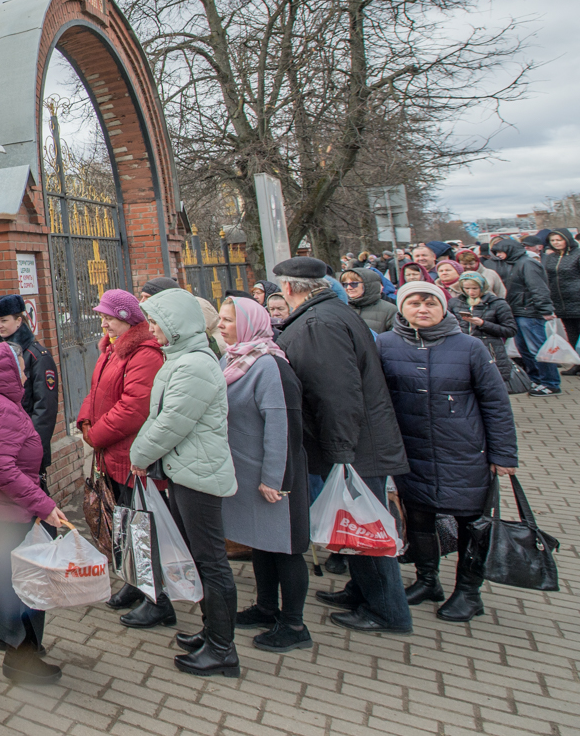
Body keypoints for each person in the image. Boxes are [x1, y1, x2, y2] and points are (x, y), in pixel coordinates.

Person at [272, 257, 413, 635]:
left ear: (288, 288)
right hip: (360, 438)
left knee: (364, 522)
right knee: (359, 519)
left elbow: (335, 393)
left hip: (353, 445)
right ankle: (363, 590)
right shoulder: (333, 312)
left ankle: (387, 609)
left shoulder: (318, 324)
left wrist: (340, 453)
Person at [377, 282, 518, 621]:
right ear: (401, 307)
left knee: (472, 522)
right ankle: (428, 580)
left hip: (464, 451)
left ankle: (469, 592)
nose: (422, 309)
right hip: (412, 450)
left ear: (443, 308)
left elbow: (496, 403)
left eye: (430, 303)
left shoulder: (469, 347)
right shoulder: (385, 344)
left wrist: (504, 455)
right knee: (420, 518)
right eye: (414, 302)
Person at [128, 289, 240, 677]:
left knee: (212, 563)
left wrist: (138, 455)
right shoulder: (182, 359)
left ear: (175, 324)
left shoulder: (193, 364)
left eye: (157, 323)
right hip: (187, 470)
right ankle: (212, 633)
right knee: (202, 558)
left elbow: (171, 421)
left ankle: (223, 650)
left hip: (198, 475)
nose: (153, 331)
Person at [209, 297, 311, 653]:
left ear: (250, 323)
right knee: (262, 544)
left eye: (228, 320)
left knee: (286, 549)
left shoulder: (269, 365)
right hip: (248, 471)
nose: (221, 325)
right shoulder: (234, 357)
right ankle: (267, 607)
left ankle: (294, 624)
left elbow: (282, 424)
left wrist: (276, 479)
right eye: (220, 319)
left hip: (274, 475)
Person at [0, 343, 68, 685]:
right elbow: (2, 468)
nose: (25, 372)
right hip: (10, 513)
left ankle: (9, 642)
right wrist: (44, 505)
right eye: (18, 366)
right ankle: (22, 660)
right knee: (26, 588)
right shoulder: (4, 409)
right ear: (5, 372)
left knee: (5, 585)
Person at [76, 289, 164, 613]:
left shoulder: (144, 354)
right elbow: (95, 390)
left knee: (139, 527)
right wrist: (85, 419)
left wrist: (95, 435)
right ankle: (132, 581)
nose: (103, 324)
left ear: (126, 318)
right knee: (123, 524)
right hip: (111, 454)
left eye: (107, 317)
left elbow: (133, 408)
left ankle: (156, 599)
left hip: (130, 456)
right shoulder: (111, 350)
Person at [0, 295, 60, 481]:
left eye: (4, 320)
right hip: (2, 446)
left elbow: (45, 410)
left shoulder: (37, 357)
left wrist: (31, 451)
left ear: (19, 320)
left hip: (25, 448)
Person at [487, 236, 561, 396]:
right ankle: (535, 379)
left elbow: (538, 288)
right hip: (519, 312)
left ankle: (551, 383)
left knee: (538, 349)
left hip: (530, 313)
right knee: (525, 350)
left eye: (500, 252)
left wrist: (545, 309)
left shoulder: (528, 263)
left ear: (509, 249)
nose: (498, 256)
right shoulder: (515, 264)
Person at [450, 271, 520, 388]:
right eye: (466, 288)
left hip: (490, 350)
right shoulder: (455, 303)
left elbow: (510, 330)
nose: (471, 292)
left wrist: (483, 324)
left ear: (482, 287)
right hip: (462, 349)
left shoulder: (498, 304)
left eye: (475, 288)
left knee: (491, 385)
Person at [539, 228, 580, 375]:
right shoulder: (551, 257)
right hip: (560, 301)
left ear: (567, 239)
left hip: (577, 298)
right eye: (553, 240)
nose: (556, 243)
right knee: (571, 333)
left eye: (559, 240)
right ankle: (576, 363)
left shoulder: (577, 255)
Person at [341, 267, 397, 333]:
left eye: (354, 284)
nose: (348, 288)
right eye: (345, 284)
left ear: (367, 285)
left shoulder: (390, 310)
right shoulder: (341, 308)